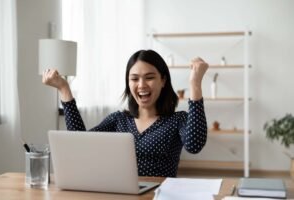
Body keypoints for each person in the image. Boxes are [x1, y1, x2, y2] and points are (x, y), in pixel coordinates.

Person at [42, 49, 208, 177]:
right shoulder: (118, 120)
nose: (141, 85)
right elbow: (80, 143)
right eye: (134, 79)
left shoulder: (178, 120)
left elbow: (194, 146)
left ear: (163, 80)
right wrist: (64, 89)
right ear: (128, 83)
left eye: (149, 77)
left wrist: (195, 84)